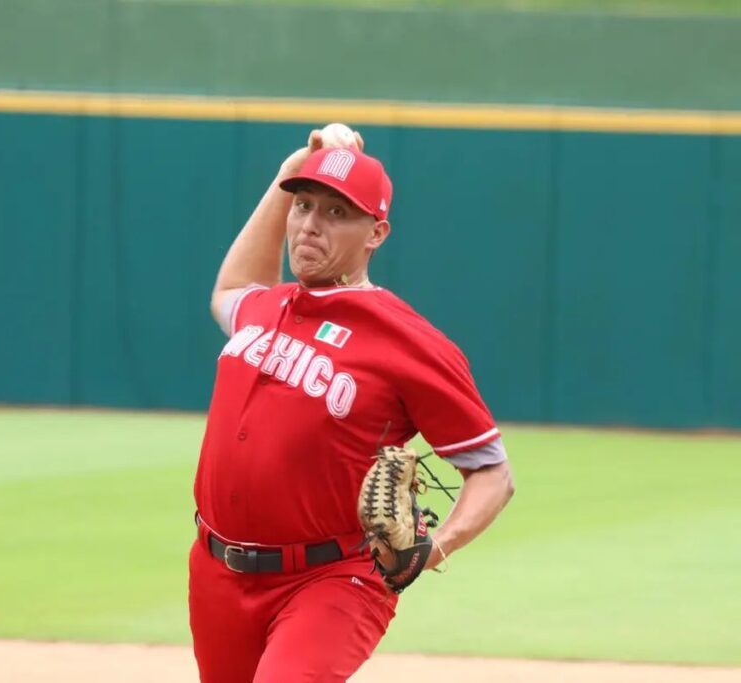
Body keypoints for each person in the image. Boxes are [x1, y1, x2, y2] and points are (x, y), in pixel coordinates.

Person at [189, 129, 516, 682]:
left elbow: (492, 472)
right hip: (217, 571)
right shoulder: (265, 306)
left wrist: (433, 550)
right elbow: (232, 287)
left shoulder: (408, 341)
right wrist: (292, 168)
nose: (310, 225)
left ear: (376, 233)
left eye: (336, 212)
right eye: (303, 206)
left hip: (332, 579)